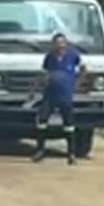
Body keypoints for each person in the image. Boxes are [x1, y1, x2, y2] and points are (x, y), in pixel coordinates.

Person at [30, 33, 86, 164]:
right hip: (50, 95)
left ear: (66, 44)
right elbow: (43, 74)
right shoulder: (49, 57)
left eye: (62, 43)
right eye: (57, 43)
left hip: (65, 96)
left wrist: (78, 83)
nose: (60, 45)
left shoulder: (73, 56)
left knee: (69, 125)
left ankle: (71, 154)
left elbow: (84, 69)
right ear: (53, 45)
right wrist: (33, 89)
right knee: (42, 121)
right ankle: (40, 150)